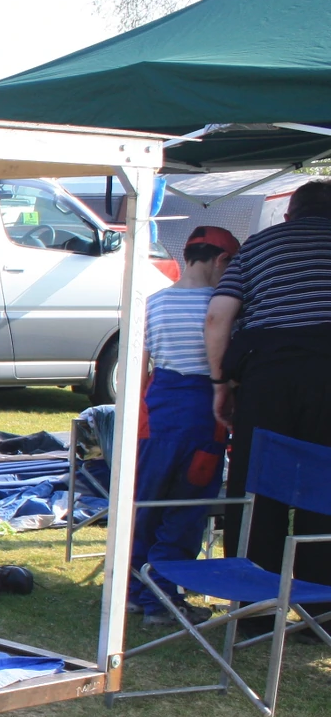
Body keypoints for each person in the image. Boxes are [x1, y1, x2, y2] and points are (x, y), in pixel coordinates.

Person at [205, 179, 331, 590]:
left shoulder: (258, 247)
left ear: (289, 214)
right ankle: (322, 608)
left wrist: (221, 383)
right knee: (326, 486)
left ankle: (254, 605)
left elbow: (218, 318)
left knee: (257, 487)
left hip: (268, 375)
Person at [130, 225, 237, 625]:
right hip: (201, 415)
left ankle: (137, 592)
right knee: (186, 510)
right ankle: (163, 601)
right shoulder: (222, 305)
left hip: (155, 415)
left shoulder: (153, 302)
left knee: (148, 507)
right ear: (221, 260)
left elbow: (141, 369)